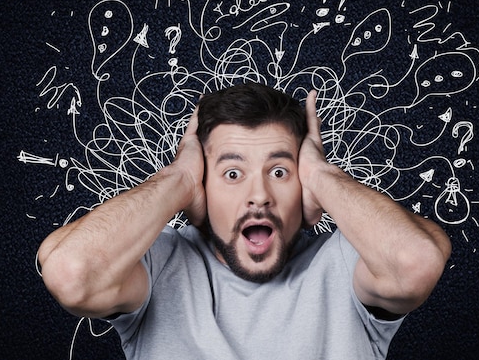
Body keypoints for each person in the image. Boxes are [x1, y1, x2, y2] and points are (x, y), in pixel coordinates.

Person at [38, 83, 451, 359]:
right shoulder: (159, 264)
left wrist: (323, 176)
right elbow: (73, 275)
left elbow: (416, 262)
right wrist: (178, 178)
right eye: (232, 174)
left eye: (279, 172)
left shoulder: (344, 263)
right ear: (203, 185)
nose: (259, 195)